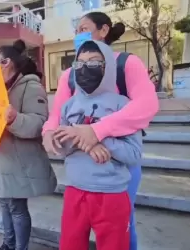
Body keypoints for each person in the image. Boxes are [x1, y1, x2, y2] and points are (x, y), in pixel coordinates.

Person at [42, 11, 159, 250]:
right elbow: (58, 115)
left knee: (122, 229)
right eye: (76, 30)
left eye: (83, 28)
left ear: (104, 30)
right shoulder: (70, 75)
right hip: (80, 172)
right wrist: (49, 133)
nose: (78, 34)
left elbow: (147, 105)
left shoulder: (126, 64)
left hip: (117, 167)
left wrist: (97, 132)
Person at [58, 40, 142, 250]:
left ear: (108, 67)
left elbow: (133, 154)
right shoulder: (69, 105)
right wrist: (87, 143)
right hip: (75, 191)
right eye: (79, 63)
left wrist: (98, 136)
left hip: (111, 195)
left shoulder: (123, 105)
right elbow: (62, 148)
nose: (85, 68)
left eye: (94, 63)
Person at [0, 39, 57, 250]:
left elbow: (38, 123)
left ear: (6, 62)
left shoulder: (31, 87)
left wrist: (14, 119)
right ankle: (8, 243)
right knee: (5, 204)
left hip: (19, 160)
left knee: (17, 208)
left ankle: (20, 247)